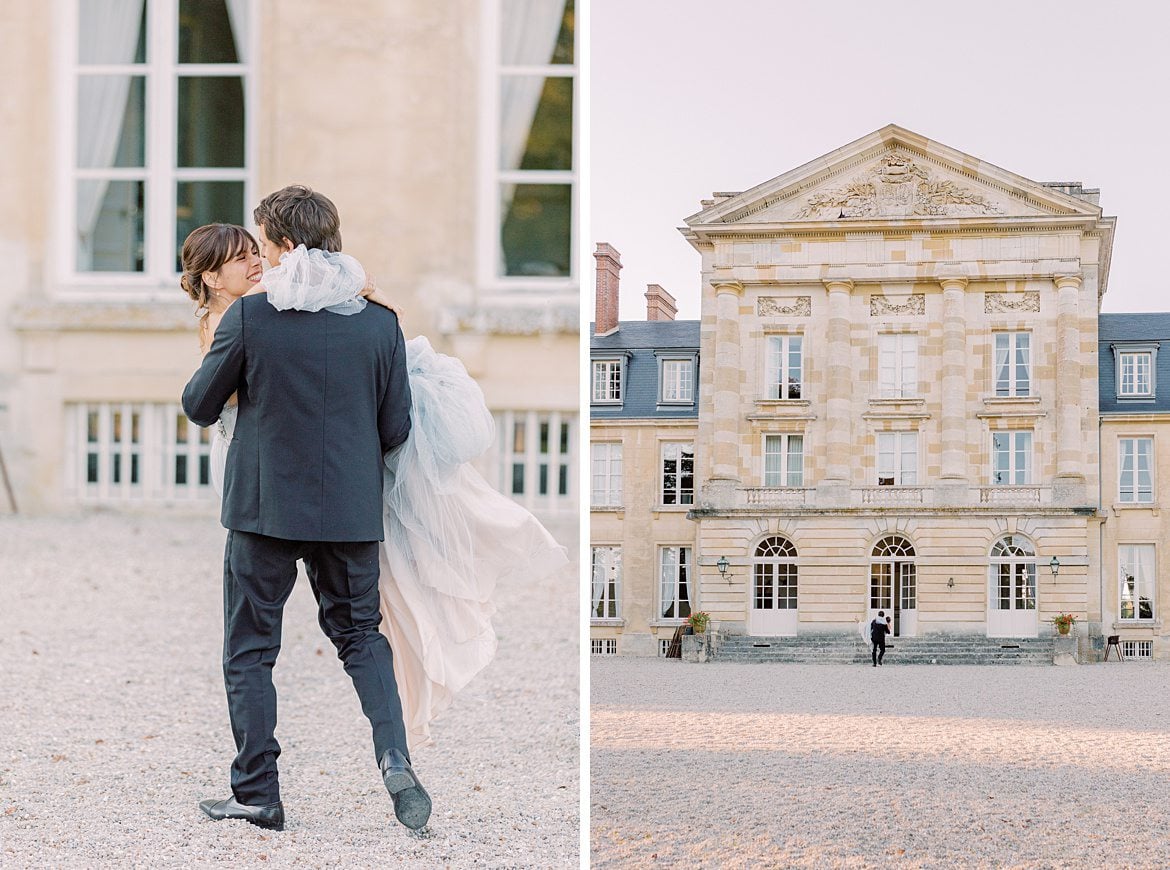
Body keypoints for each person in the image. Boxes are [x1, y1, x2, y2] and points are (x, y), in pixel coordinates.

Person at [182, 188, 425, 833]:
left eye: (263, 243)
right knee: (361, 637)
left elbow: (200, 405)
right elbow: (397, 426)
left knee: (251, 649)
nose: (260, 256)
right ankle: (395, 759)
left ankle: (258, 793)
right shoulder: (381, 322)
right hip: (349, 510)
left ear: (285, 245)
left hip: (264, 509)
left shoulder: (251, 317)